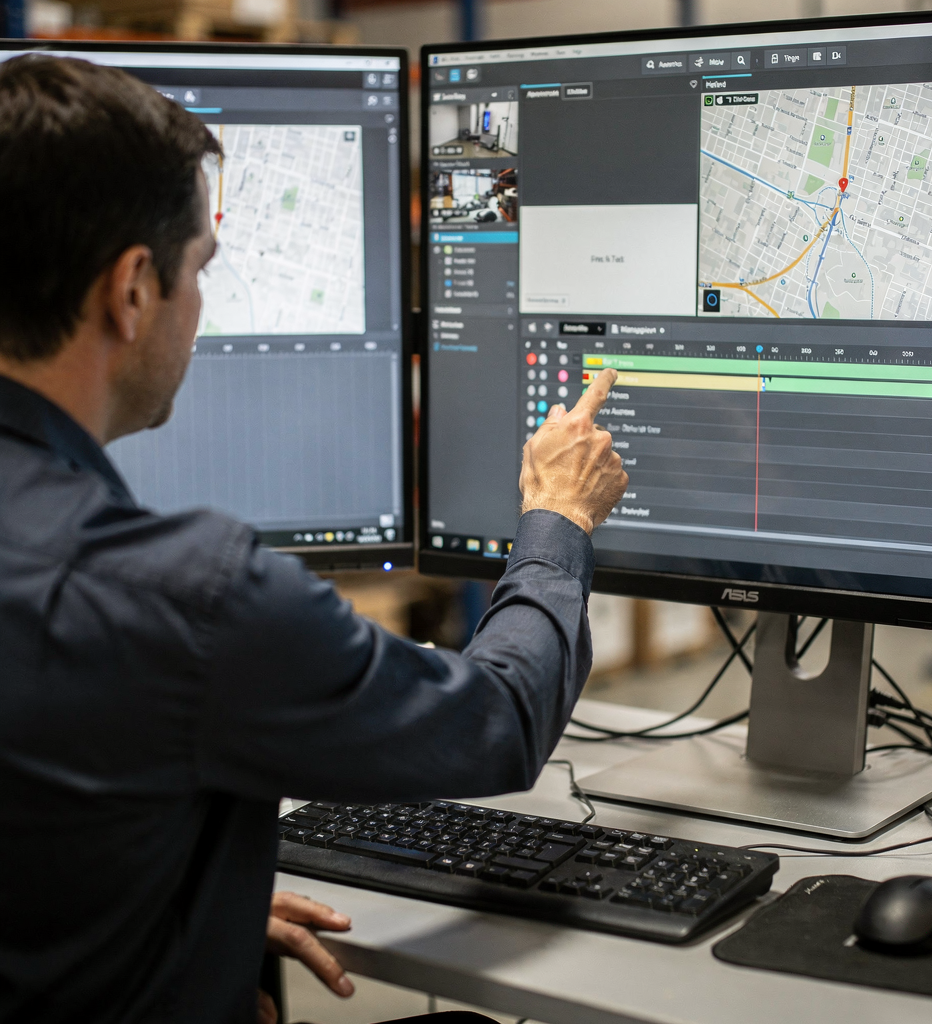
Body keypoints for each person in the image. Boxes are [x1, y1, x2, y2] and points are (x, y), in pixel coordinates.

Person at [0, 54, 628, 1024]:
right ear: (131, 290)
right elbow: (496, 720)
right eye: (202, 269)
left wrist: (177, 908)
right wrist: (558, 518)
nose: (200, 304)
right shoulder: (188, 595)